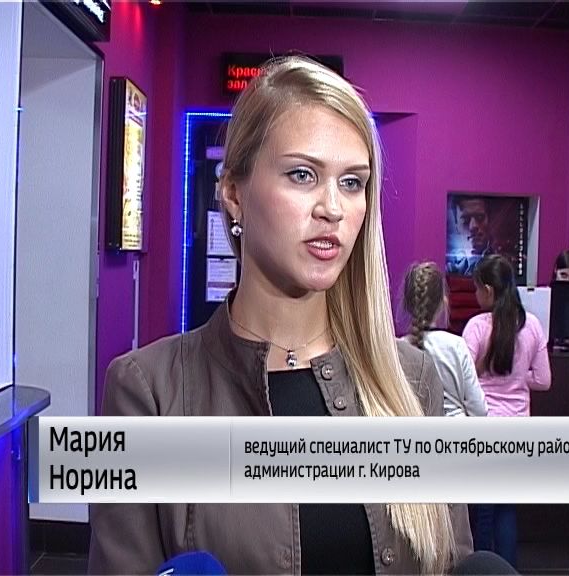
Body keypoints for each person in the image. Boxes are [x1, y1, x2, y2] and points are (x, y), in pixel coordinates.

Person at [88, 56, 472, 574]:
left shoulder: (413, 381)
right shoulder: (147, 392)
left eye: (352, 182)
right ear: (234, 193)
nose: (332, 208)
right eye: (302, 174)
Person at [462, 255, 551, 568]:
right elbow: (544, 380)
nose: (475, 296)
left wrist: (490, 376)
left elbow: (464, 377)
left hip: (484, 428)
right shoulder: (532, 326)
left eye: (477, 289)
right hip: (518, 431)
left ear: (488, 289)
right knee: (506, 509)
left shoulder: (476, 327)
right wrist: (518, 377)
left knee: (482, 512)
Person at [402, 262, 487, 417]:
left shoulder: (397, 350)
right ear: (443, 302)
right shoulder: (456, 346)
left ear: (406, 303)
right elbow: (479, 409)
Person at [447, 196, 494, 276]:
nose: (473, 226)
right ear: (456, 225)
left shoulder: (502, 265)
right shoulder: (450, 267)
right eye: (465, 220)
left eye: (480, 218)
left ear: (489, 220)